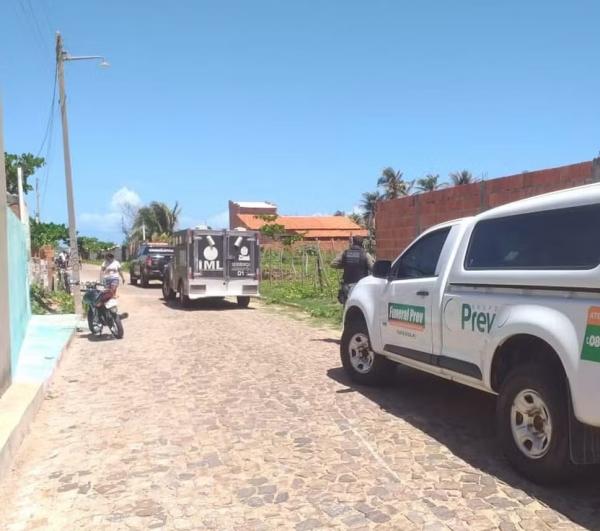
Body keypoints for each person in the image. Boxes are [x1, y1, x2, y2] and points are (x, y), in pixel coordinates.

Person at [331, 236, 375, 304]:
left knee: (347, 305)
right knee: (361, 303)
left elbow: (333, 264)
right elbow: (373, 268)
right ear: (362, 244)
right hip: (361, 285)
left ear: (353, 243)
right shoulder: (365, 254)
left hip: (347, 285)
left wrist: (345, 265)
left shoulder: (345, 253)